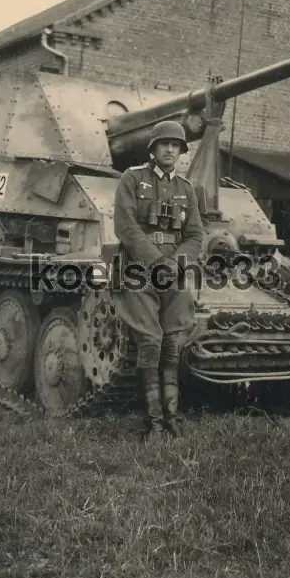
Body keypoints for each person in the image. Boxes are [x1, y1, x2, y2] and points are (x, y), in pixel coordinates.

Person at [113, 120, 204, 440]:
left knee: (173, 343)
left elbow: (195, 235)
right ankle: (152, 421)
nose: (170, 149)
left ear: (181, 151)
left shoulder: (186, 189)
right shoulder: (132, 179)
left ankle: (172, 417)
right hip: (140, 269)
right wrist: (156, 261)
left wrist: (176, 264)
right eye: (164, 144)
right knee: (150, 342)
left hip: (174, 273)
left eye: (175, 145)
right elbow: (126, 227)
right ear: (152, 149)